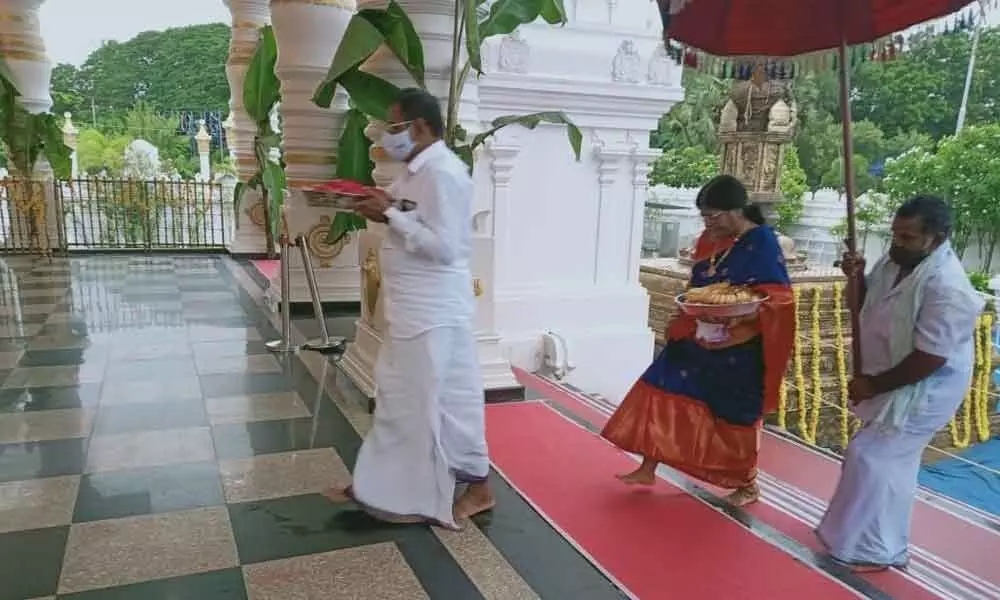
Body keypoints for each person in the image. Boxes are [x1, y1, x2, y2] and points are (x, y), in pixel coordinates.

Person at [325, 88, 493, 529]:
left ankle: (468, 488)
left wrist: (392, 216)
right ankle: (381, 485)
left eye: (394, 127)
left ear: (420, 127)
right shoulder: (414, 173)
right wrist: (381, 207)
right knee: (410, 400)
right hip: (413, 309)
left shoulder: (444, 174)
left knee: (424, 403)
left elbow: (447, 247)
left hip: (434, 311)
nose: (388, 136)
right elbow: (411, 214)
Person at [601, 175, 796, 506]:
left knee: (733, 415)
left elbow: (779, 298)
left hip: (739, 346)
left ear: (737, 210)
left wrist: (741, 315)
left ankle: (747, 484)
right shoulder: (712, 239)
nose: (708, 223)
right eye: (704, 216)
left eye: (713, 216)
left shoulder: (762, 242)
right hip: (698, 333)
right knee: (660, 386)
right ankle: (649, 465)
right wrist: (687, 316)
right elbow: (697, 284)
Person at [817, 195, 985, 571]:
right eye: (895, 235)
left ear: (936, 238)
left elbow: (930, 357)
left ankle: (875, 549)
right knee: (888, 462)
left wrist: (873, 385)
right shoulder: (896, 261)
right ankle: (865, 542)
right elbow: (861, 305)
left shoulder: (948, 286)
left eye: (908, 237)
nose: (897, 244)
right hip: (894, 375)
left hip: (927, 385)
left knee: (873, 458)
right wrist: (855, 277)